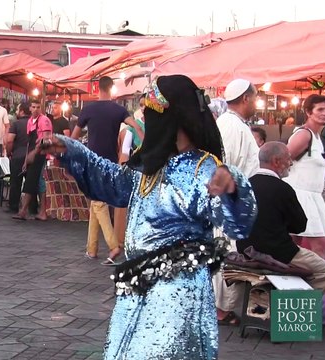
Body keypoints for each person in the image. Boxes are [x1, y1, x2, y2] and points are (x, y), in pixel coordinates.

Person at [40, 75, 256, 359]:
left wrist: (232, 189)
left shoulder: (204, 168)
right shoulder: (150, 164)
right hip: (137, 288)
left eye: (153, 114)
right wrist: (73, 149)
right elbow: (115, 182)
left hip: (178, 293)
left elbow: (238, 224)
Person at [237, 141, 325, 294]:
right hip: (278, 252)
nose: (291, 163)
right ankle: (298, 310)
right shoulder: (283, 188)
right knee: (324, 270)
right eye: (288, 159)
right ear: (276, 161)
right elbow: (300, 226)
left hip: (244, 250)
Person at [71, 76, 144, 265]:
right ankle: (91, 248)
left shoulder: (88, 109)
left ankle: (113, 246)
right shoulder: (118, 110)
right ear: (111, 89)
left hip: (92, 162)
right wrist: (144, 140)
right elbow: (135, 125)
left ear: (97, 88)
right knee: (97, 203)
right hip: (110, 162)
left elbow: (73, 137)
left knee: (98, 203)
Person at [213, 78, 260, 325]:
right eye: (255, 98)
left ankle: (223, 307)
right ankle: (220, 309)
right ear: (245, 99)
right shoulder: (230, 125)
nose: (256, 103)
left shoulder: (235, 124)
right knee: (225, 253)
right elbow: (225, 164)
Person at [285, 94, 325, 258]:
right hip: (301, 194)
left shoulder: (317, 137)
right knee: (318, 244)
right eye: (320, 109)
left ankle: (293, 279)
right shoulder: (304, 134)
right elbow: (282, 159)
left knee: (294, 243)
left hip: (313, 195)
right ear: (308, 112)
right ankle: (317, 281)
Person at [12, 99, 52, 221]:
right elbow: (30, 143)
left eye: (38, 107)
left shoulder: (44, 120)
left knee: (31, 181)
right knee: (39, 182)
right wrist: (26, 160)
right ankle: (41, 212)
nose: (35, 109)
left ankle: (23, 210)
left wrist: (34, 154)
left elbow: (45, 140)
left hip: (41, 154)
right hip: (32, 153)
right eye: (33, 107)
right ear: (29, 108)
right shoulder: (30, 121)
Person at [5, 102, 31, 213]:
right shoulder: (35, 123)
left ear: (21, 111)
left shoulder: (16, 124)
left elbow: (10, 140)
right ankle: (32, 207)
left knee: (15, 181)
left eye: (17, 110)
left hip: (18, 155)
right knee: (31, 182)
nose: (16, 112)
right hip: (32, 155)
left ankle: (13, 206)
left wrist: (8, 152)